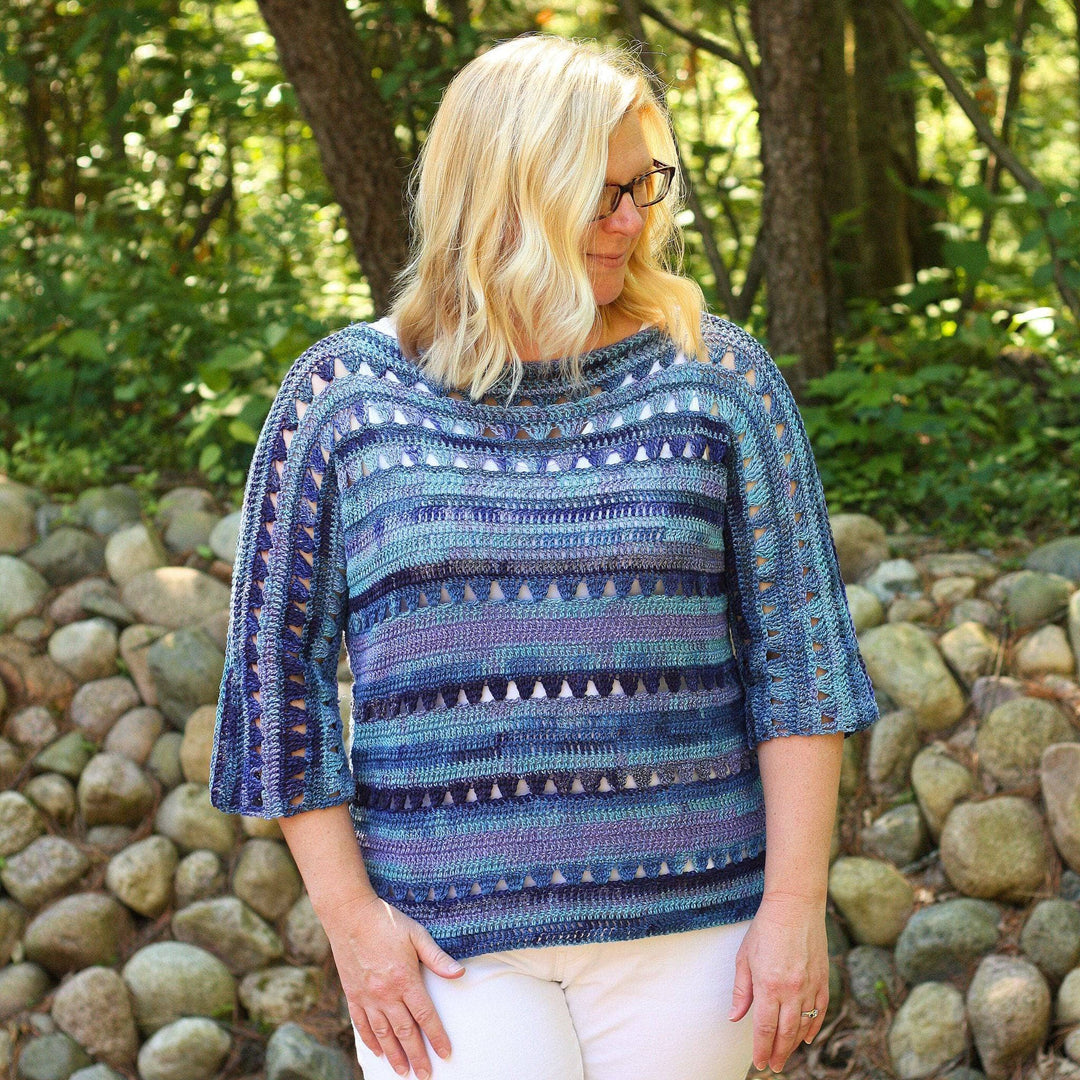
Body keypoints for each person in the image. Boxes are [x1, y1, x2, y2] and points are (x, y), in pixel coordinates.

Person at [210, 32, 879, 1080]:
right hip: (447, 953)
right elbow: (273, 676)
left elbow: (802, 664)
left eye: (643, 186)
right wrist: (350, 922)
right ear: (507, 192)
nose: (631, 219)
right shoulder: (344, 401)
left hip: (691, 932)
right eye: (600, 191)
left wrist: (793, 909)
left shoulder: (718, 381)